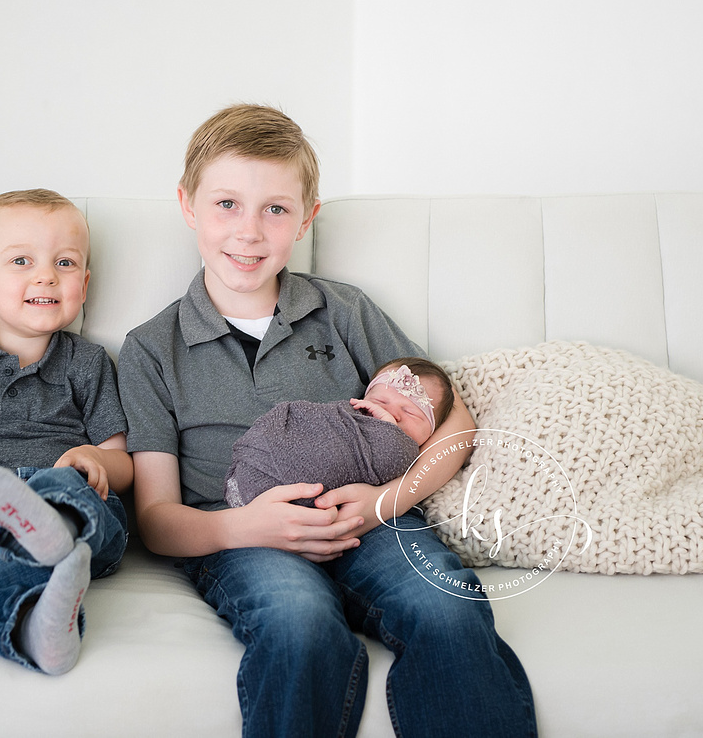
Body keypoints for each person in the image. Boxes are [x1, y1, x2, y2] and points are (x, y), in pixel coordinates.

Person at [117, 104, 536, 737]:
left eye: (276, 209)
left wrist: (385, 503)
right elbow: (155, 519)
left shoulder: (343, 311)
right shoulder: (152, 349)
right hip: (244, 537)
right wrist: (243, 526)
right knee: (299, 624)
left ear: (307, 217)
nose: (250, 232)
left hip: (370, 523)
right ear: (188, 205)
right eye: (227, 204)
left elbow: (456, 422)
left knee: (447, 607)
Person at [0, 189, 133, 675]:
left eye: (65, 263)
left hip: (74, 500)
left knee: (64, 486)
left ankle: (53, 525)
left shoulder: (89, 362)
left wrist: (91, 460)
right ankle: (38, 629)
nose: (46, 275)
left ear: (84, 282)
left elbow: (122, 462)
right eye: (20, 260)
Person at [224, 357, 454, 508]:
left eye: (410, 412)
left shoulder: (408, 455)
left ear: (433, 431)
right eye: (380, 400)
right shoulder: (345, 414)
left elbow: (395, 458)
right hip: (258, 489)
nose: (389, 413)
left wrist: (391, 434)